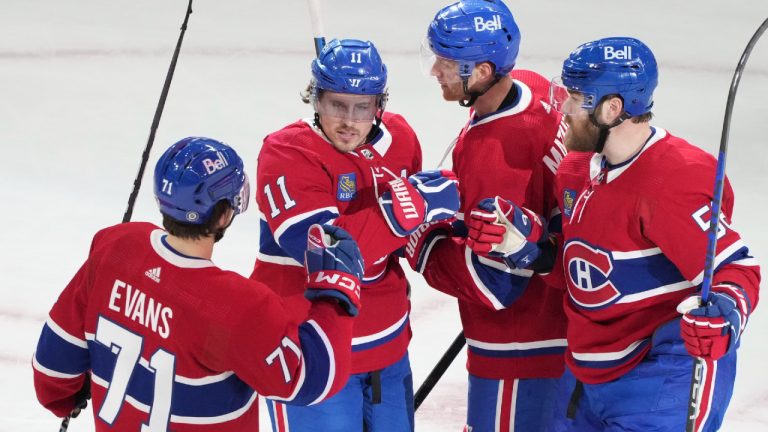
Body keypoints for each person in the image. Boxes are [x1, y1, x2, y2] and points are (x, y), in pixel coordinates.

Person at [472, 36, 761, 430]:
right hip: (587, 369)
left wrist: (725, 315)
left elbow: (735, 269)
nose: (563, 110)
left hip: (661, 375)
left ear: (612, 109)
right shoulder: (575, 170)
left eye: (575, 99)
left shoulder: (673, 179)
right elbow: (585, 272)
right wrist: (528, 249)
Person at [32, 137, 365, 431]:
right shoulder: (237, 304)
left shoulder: (115, 246)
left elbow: (53, 368)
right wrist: (336, 295)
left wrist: (65, 399)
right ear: (223, 216)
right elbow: (309, 380)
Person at [250, 38, 459, 431]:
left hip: (388, 346)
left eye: (362, 107)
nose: (349, 120)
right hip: (312, 353)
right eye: (336, 105)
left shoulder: (401, 139)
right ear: (315, 99)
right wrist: (409, 209)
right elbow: (323, 251)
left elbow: (408, 235)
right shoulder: (287, 153)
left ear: (379, 106)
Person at [408, 1, 570, 430]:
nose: (434, 71)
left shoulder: (492, 151)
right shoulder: (535, 88)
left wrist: (422, 241)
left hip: (520, 347)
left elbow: (496, 283)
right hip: (562, 327)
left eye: (446, 62)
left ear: (480, 72)